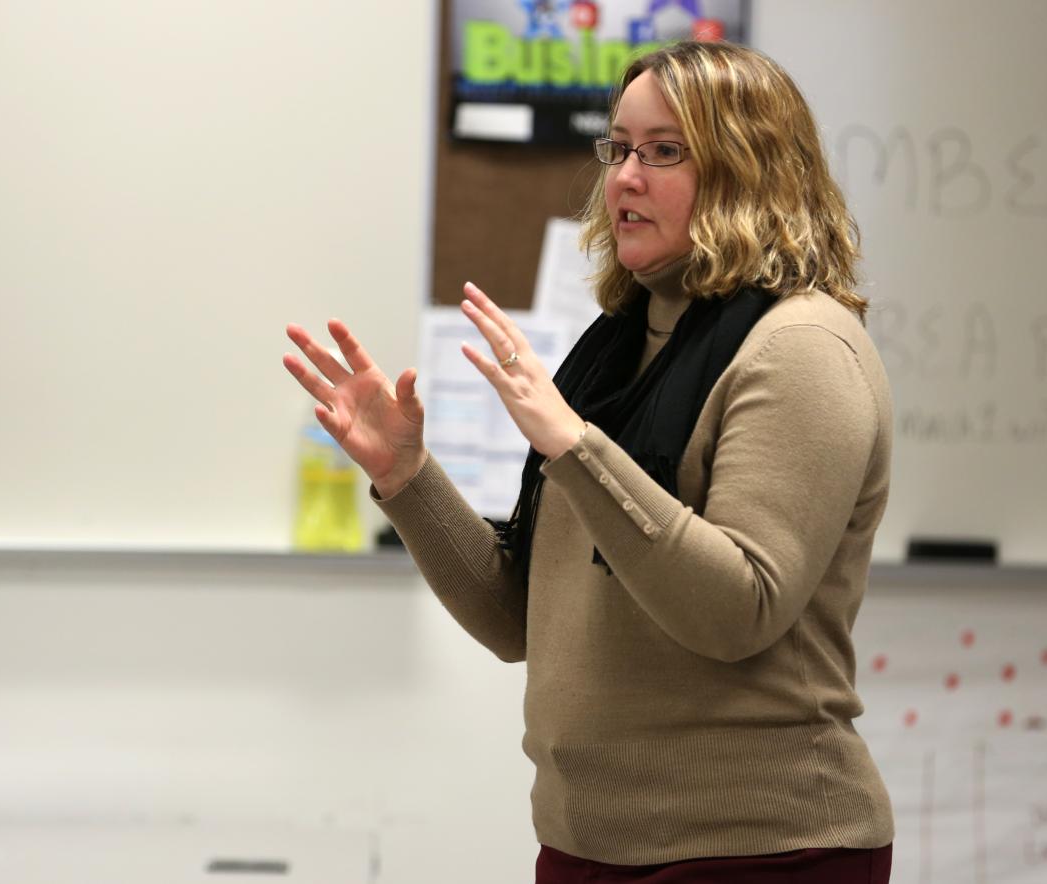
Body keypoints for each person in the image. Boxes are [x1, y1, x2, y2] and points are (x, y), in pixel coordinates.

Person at [284, 40, 894, 884]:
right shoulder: (618, 348)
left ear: (749, 171)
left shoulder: (802, 347)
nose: (624, 178)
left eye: (665, 151)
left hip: (760, 849)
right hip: (588, 846)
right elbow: (517, 622)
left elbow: (739, 609)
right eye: (619, 148)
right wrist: (407, 477)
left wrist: (575, 446)